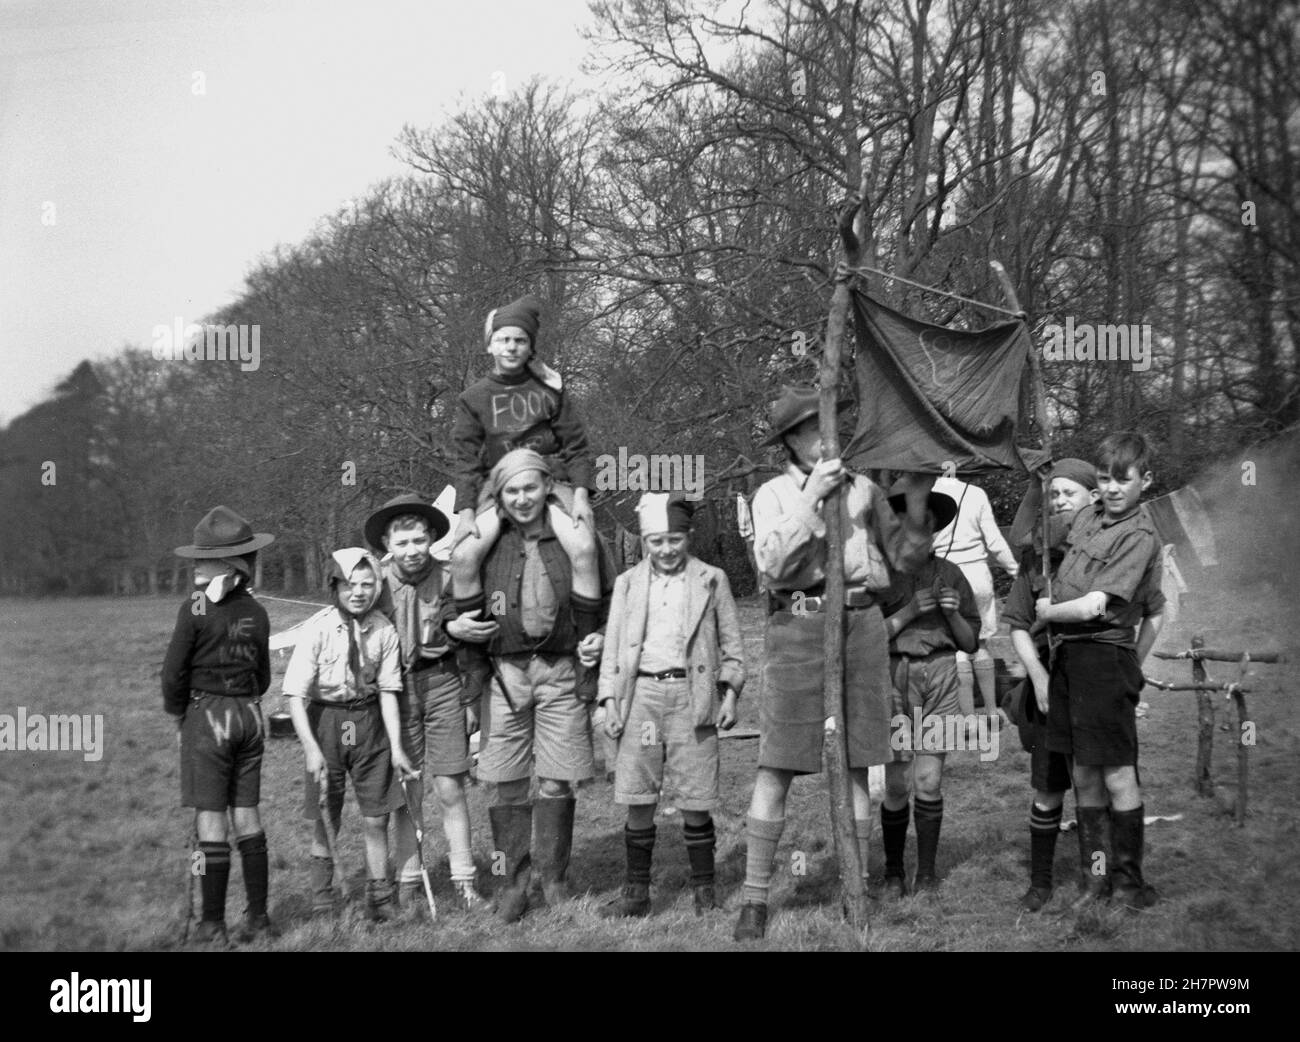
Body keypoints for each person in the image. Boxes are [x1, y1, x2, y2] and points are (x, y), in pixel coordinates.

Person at [734, 386, 937, 941]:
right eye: (810, 428)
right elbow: (773, 566)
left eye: (830, 424)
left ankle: (858, 884)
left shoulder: (866, 489)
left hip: (862, 628)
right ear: (790, 442)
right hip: (798, 629)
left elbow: (906, 561)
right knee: (777, 764)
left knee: (856, 760)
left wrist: (916, 499)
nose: (827, 435)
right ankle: (754, 899)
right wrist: (812, 501)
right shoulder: (773, 494)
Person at [446, 449, 612, 923]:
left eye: (530, 488)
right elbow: (446, 607)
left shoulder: (579, 537)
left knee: (558, 778)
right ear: (499, 496)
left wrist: (598, 636)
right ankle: (513, 884)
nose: (522, 499)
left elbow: (609, 598)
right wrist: (456, 629)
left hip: (562, 670)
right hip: (504, 674)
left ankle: (555, 879)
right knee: (506, 781)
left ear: (546, 487)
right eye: (512, 491)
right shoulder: (485, 541)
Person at [1033, 432, 1165, 911]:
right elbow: (1043, 527)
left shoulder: (1138, 535)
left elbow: (1093, 606)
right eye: (1105, 479)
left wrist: (1048, 613)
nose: (1112, 489)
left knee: (1116, 775)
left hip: (1104, 658)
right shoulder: (1090, 515)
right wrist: (1041, 478)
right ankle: (1095, 880)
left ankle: (1129, 886)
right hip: (1072, 659)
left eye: (1122, 481)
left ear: (1144, 481)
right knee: (1085, 775)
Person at [598, 492, 745, 918]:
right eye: (656, 541)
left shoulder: (712, 579)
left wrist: (730, 693)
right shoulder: (627, 583)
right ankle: (636, 892)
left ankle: (705, 891)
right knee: (638, 794)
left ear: (689, 536)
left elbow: (734, 648)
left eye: (674, 540)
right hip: (641, 697)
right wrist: (609, 699)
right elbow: (612, 650)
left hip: (691, 698)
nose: (665, 550)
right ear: (644, 540)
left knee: (696, 796)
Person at [449, 295, 602, 705]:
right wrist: (466, 512)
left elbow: (577, 447)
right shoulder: (474, 397)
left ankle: (589, 654)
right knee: (463, 557)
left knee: (584, 547)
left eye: (519, 340)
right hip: (501, 486)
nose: (511, 347)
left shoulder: (551, 388)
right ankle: (474, 660)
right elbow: (465, 459)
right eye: (503, 339)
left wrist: (582, 496)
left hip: (548, 479)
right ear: (490, 345)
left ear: (530, 345)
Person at [365, 494, 487, 914]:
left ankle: (465, 881)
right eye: (401, 543)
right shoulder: (376, 582)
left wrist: (472, 697)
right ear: (386, 544)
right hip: (396, 690)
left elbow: (472, 643)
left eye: (419, 540)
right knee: (407, 789)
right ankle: (409, 882)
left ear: (433, 537)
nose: (412, 550)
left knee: (450, 786)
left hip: (443, 683)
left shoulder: (451, 576)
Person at [282, 548, 416, 922]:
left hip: (368, 724)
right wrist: (311, 749)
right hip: (326, 722)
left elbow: (390, 691)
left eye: (367, 584)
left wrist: (397, 748)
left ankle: (380, 895)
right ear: (334, 586)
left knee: (377, 817)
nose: (358, 592)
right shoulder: (317, 629)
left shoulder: (384, 630)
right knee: (328, 814)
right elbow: (294, 695)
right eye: (349, 584)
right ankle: (323, 898)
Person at [162, 506, 275, 945]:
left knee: (211, 821)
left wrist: (178, 715)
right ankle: (260, 920)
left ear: (227, 564)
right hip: (249, 717)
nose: (195, 564)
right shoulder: (258, 612)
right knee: (247, 815)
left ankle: (212, 923)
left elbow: (173, 673)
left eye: (202, 557)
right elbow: (263, 676)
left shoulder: (193, 606)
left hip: (207, 719)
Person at [1003, 458, 1103, 910]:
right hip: (1050, 678)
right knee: (1048, 786)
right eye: (1054, 495)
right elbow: (1019, 625)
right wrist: (1039, 679)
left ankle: (1095, 878)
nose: (1061, 502)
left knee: (1094, 784)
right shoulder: (1035, 561)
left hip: (1095, 676)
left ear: (1092, 498)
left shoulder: (1108, 550)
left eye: (1070, 494)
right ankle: (1040, 883)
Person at [878, 484, 978, 896]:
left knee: (930, 780)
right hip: (895, 677)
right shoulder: (880, 576)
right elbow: (866, 639)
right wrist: (910, 611)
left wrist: (952, 615)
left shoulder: (952, 574)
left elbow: (971, 643)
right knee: (898, 782)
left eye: (927, 528)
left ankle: (928, 872)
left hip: (940, 677)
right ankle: (893, 872)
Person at [931, 475, 1019, 717]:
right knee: (979, 644)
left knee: (956, 649)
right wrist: (1014, 570)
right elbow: (995, 541)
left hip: (947, 575)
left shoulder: (926, 492)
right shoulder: (975, 493)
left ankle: (967, 718)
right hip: (977, 574)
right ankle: (992, 711)